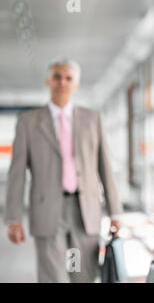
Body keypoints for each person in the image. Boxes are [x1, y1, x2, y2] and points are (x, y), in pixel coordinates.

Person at [5, 58, 123, 283]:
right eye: (57, 77)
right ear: (48, 81)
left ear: (76, 84)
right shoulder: (28, 122)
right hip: (48, 211)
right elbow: (17, 172)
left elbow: (105, 167)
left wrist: (115, 212)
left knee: (79, 272)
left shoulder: (92, 120)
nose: (62, 83)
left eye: (68, 78)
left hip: (83, 212)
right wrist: (14, 217)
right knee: (53, 276)